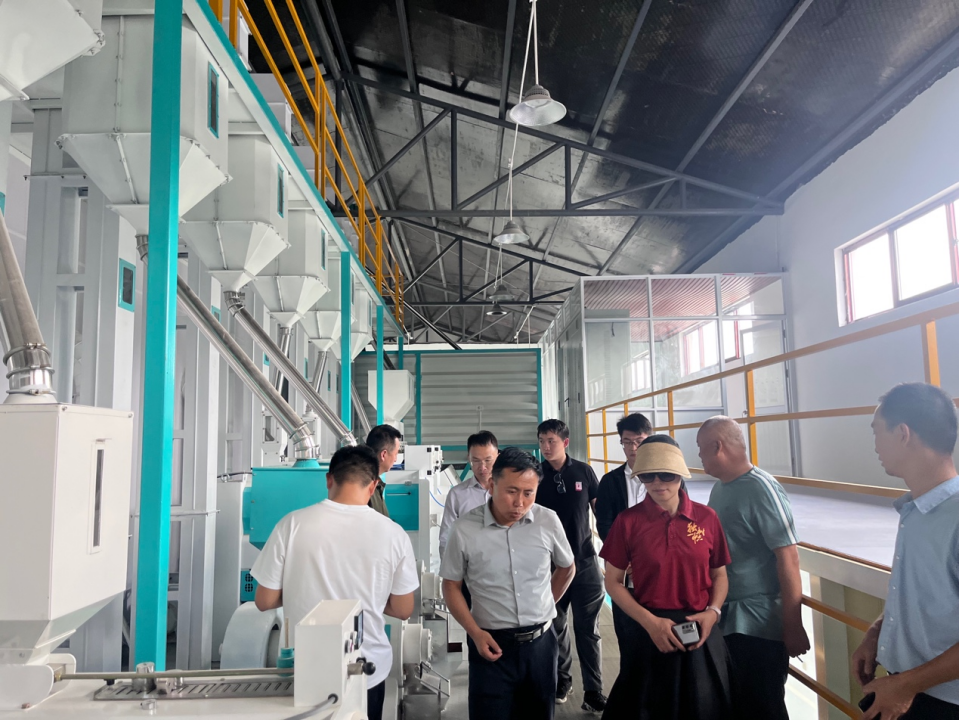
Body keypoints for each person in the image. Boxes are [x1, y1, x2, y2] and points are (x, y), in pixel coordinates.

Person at [251, 445, 419, 720]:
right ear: (373, 486)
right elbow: (403, 609)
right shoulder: (394, 534)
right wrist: (369, 598)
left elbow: (264, 600)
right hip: (367, 668)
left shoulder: (291, 525)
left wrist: (298, 588)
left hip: (306, 668)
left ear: (328, 479)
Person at [600, 435, 732, 720]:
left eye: (667, 475)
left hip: (700, 631)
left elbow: (719, 574)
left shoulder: (707, 518)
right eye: (648, 476)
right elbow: (612, 582)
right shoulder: (628, 521)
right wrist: (650, 623)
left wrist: (713, 613)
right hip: (650, 631)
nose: (658, 483)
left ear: (680, 475)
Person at [440, 447, 576, 720]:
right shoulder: (465, 529)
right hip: (490, 644)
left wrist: (544, 603)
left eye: (528, 493)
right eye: (511, 491)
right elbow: (451, 585)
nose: (519, 503)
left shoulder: (547, 521)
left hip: (540, 645)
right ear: (492, 485)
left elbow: (567, 566)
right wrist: (474, 633)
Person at [850, 383, 959, 720]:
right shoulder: (914, 509)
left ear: (902, 434)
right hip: (908, 689)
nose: (874, 445)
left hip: (944, 703)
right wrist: (877, 631)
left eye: (877, 432)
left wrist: (906, 685)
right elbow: (927, 596)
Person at [698, 416, 809, 720]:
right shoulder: (721, 489)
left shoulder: (761, 489)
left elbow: (788, 558)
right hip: (728, 619)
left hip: (759, 625)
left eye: (700, 448)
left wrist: (792, 624)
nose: (699, 456)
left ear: (717, 446)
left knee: (762, 707)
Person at [536, 419, 607, 712]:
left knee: (588, 629)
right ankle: (562, 681)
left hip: (585, 562)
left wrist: (612, 551)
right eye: (542, 441)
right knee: (555, 626)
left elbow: (599, 512)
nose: (545, 446)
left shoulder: (584, 472)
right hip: (550, 566)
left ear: (565, 442)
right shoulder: (536, 475)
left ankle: (594, 690)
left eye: (551, 441)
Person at [596, 413, 652, 676]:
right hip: (625, 577)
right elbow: (604, 525)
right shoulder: (610, 482)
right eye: (627, 442)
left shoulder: (666, 479)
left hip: (660, 575)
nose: (633, 448)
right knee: (628, 641)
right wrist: (627, 561)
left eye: (639, 441)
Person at [439, 430, 499, 558]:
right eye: (476, 461)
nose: (482, 467)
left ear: (497, 457)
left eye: (488, 460)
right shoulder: (457, 494)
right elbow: (446, 537)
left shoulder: (508, 491)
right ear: (469, 458)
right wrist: (449, 567)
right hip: (468, 564)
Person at [366, 424, 403, 517]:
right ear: (383, 455)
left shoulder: (376, 484)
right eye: (396, 454)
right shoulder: (364, 486)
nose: (395, 459)